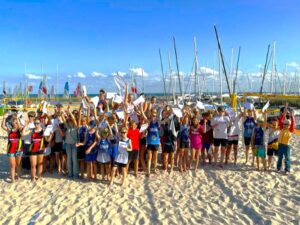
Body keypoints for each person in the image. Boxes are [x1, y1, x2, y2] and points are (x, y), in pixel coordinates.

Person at [2, 113, 23, 182]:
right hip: (11, 150)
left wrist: (17, 119)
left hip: (19, 149)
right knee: (12, 165)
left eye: (16, 122)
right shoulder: (10, 130)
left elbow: (20, 127)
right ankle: (13, 179)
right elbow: (2, 126)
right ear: (12, 123)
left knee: (18, 164)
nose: (15, 123)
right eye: (14, 122)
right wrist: (4, 118)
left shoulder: (20, 130)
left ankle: (18, 176)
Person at [277, 103, 295, 174]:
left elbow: (293, 123)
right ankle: (278, 168)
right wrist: (285, 108)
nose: (285, 125)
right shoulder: (281, 128)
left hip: (287, 146)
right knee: (279, 158)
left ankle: (287, 169)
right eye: (284, 124)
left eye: (287, 124)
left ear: (289, 125)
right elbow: (281, 120)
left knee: (287, 158)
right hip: (280, 145)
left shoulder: (290, 130)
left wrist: (292, 116)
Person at [64, 109, 79, 179]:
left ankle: (75, 175)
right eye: (69, 119)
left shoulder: (76, 126)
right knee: (69, 160)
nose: (70, 120)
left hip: (74, 145)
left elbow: (73, 118)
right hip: (68, 144)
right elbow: (63, 119)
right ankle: (70, 174)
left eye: (71, 119)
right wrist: (62, 113)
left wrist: (69, 112)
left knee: (74, 159)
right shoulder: (67, 126)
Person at [146, 110, 160, 176]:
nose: (153, 117)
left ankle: (154, 169)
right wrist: (150, 119)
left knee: (155, 158)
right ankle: (148, 171)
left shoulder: (158, 123)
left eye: (154, 116)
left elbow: (164, 120)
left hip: (156, 143)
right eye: (152, 115)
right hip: (149, 143)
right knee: (149, 158)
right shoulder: (149, 122)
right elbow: (146, 120)